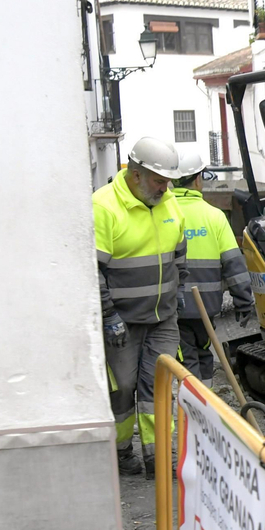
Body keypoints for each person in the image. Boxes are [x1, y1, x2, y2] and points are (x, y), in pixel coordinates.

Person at [94, 136, 188, 476]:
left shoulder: (168, 203)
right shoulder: (104, 207)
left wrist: (177, 292)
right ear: (136, 175)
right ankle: (120, 453)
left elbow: (180, 254)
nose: (165, 188)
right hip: (122, 321)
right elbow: (93, 270)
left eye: (168, 182)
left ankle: (161, 458)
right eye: (159, 181)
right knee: (123, 389)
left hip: (162, 318)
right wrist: (109, 316)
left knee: (158, 387)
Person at [171, 150, 255, 380]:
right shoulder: (215, 216)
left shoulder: (163, 215)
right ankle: (205, 405)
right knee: (204, 352)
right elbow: (234, 264)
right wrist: (244, 303)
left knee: (185, 358)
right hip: (207, 307)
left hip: (174, 307)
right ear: (198, 179)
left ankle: (195, 407)